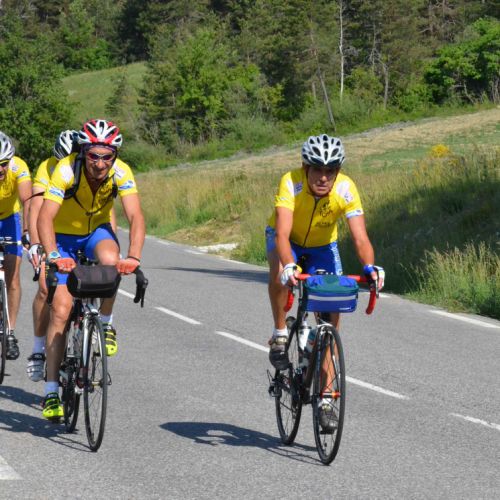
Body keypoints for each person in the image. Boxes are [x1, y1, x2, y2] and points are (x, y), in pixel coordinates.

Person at [266, 134, 384, 432]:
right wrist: (289, 265)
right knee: (280, 271)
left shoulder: (345, 188)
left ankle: (327, 400)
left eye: (330, 171)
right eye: (317, 169)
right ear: (305, 167)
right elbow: (282, 234)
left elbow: (360, 238)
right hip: (288, 241)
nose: (323, 177)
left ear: (337, 171)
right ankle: (280, 333)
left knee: (331, 321)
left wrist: (369, 267)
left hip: (323, 247)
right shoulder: (290, 182)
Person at [37, 119, 145, 420]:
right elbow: (44, 217)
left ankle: (106, 323)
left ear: (114, 156)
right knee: (61, 310)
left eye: (107, 156)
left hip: (95, 232)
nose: (100, 163)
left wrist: (134, 257)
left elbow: (136, 216)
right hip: (62, 237)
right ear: (84, 152)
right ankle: (51, 392)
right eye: (94, 155)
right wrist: (53, 254)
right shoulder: (66, 170)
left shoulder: (121, 172)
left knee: (112, 261)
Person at [26, 130, 77, 382]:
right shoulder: (47, 168)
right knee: (46, 289)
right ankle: (38, 349)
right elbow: (36, 208)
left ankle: (85, 336)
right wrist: (36, 245)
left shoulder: (84, 168)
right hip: (50, 230)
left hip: (76, 230)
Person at [0, 131, 32, 360]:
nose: (0, 169)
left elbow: (27, 201)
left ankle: (10, 332)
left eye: (4, 164)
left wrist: (27, 232)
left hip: (10, 219)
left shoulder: (18, 167)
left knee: (13, 275)